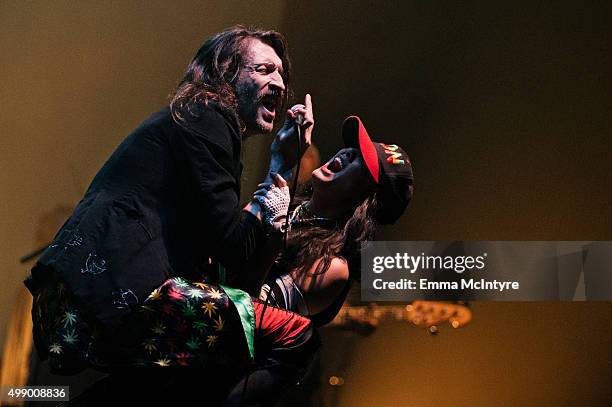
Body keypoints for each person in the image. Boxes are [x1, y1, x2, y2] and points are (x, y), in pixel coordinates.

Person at [23, 26, 316, 403]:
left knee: (166, 380)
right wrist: (281, 169)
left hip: (95, 292)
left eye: (281, 73)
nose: (278, 82)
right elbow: (233, 245)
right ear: (226, 73)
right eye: (263, 69)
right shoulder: (211, 115)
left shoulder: (199, 118)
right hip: (115, 288)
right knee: (292, 336)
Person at [223, 115, 414, 405]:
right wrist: (279, 161)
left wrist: (273, 234)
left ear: (366, 199)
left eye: (360, 160)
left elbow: (244, 312)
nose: (346, 153)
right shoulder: (293, 208)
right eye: (351, 148)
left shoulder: (333, 266)